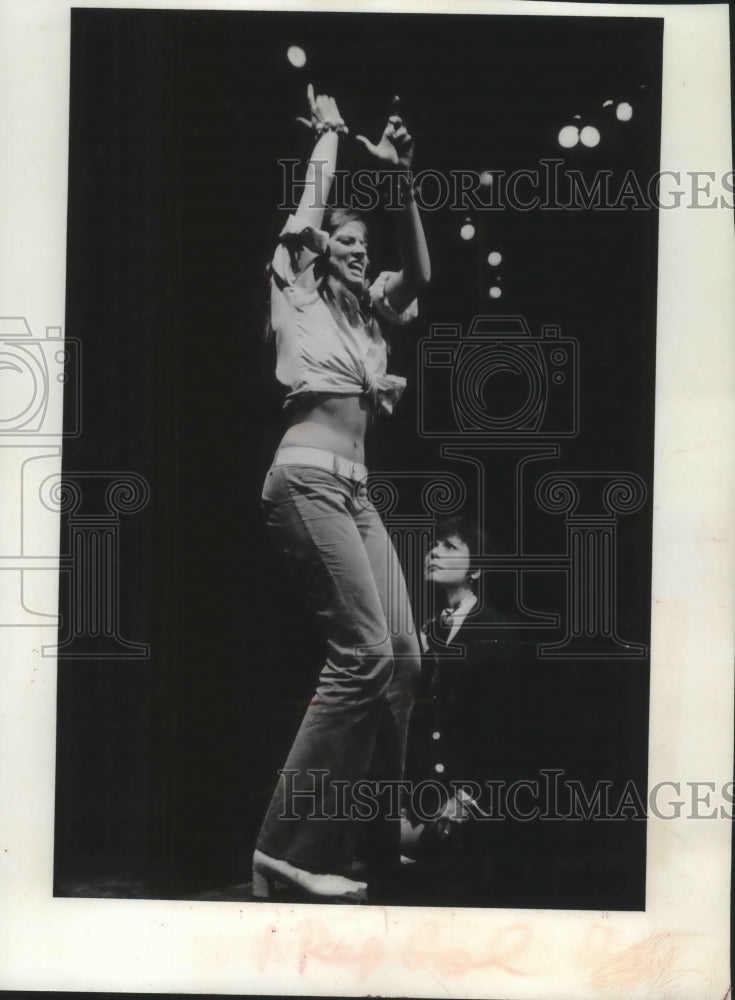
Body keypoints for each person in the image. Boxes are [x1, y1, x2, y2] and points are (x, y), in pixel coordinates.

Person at [252, 85, 431, 903]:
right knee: (359, 655)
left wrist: (402, 176)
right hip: (306, 480)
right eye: (346, 240)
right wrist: (326, 138)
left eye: (368, 241)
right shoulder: (293, 288)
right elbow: (306, 208)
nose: (360, 250)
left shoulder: (365, 324)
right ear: (323, 246)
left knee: (401, 656)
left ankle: (372, 834)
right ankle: (283, 849)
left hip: (355, 494)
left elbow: (423, 270)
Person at [401, 514, 524, 902]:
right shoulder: (424, 630)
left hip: (472, 816)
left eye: (450, 546)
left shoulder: (497, 632)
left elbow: (504, 731)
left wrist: (467, 801)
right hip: (419, 807)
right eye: (434, 545)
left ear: (478, 570)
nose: (434, 552)